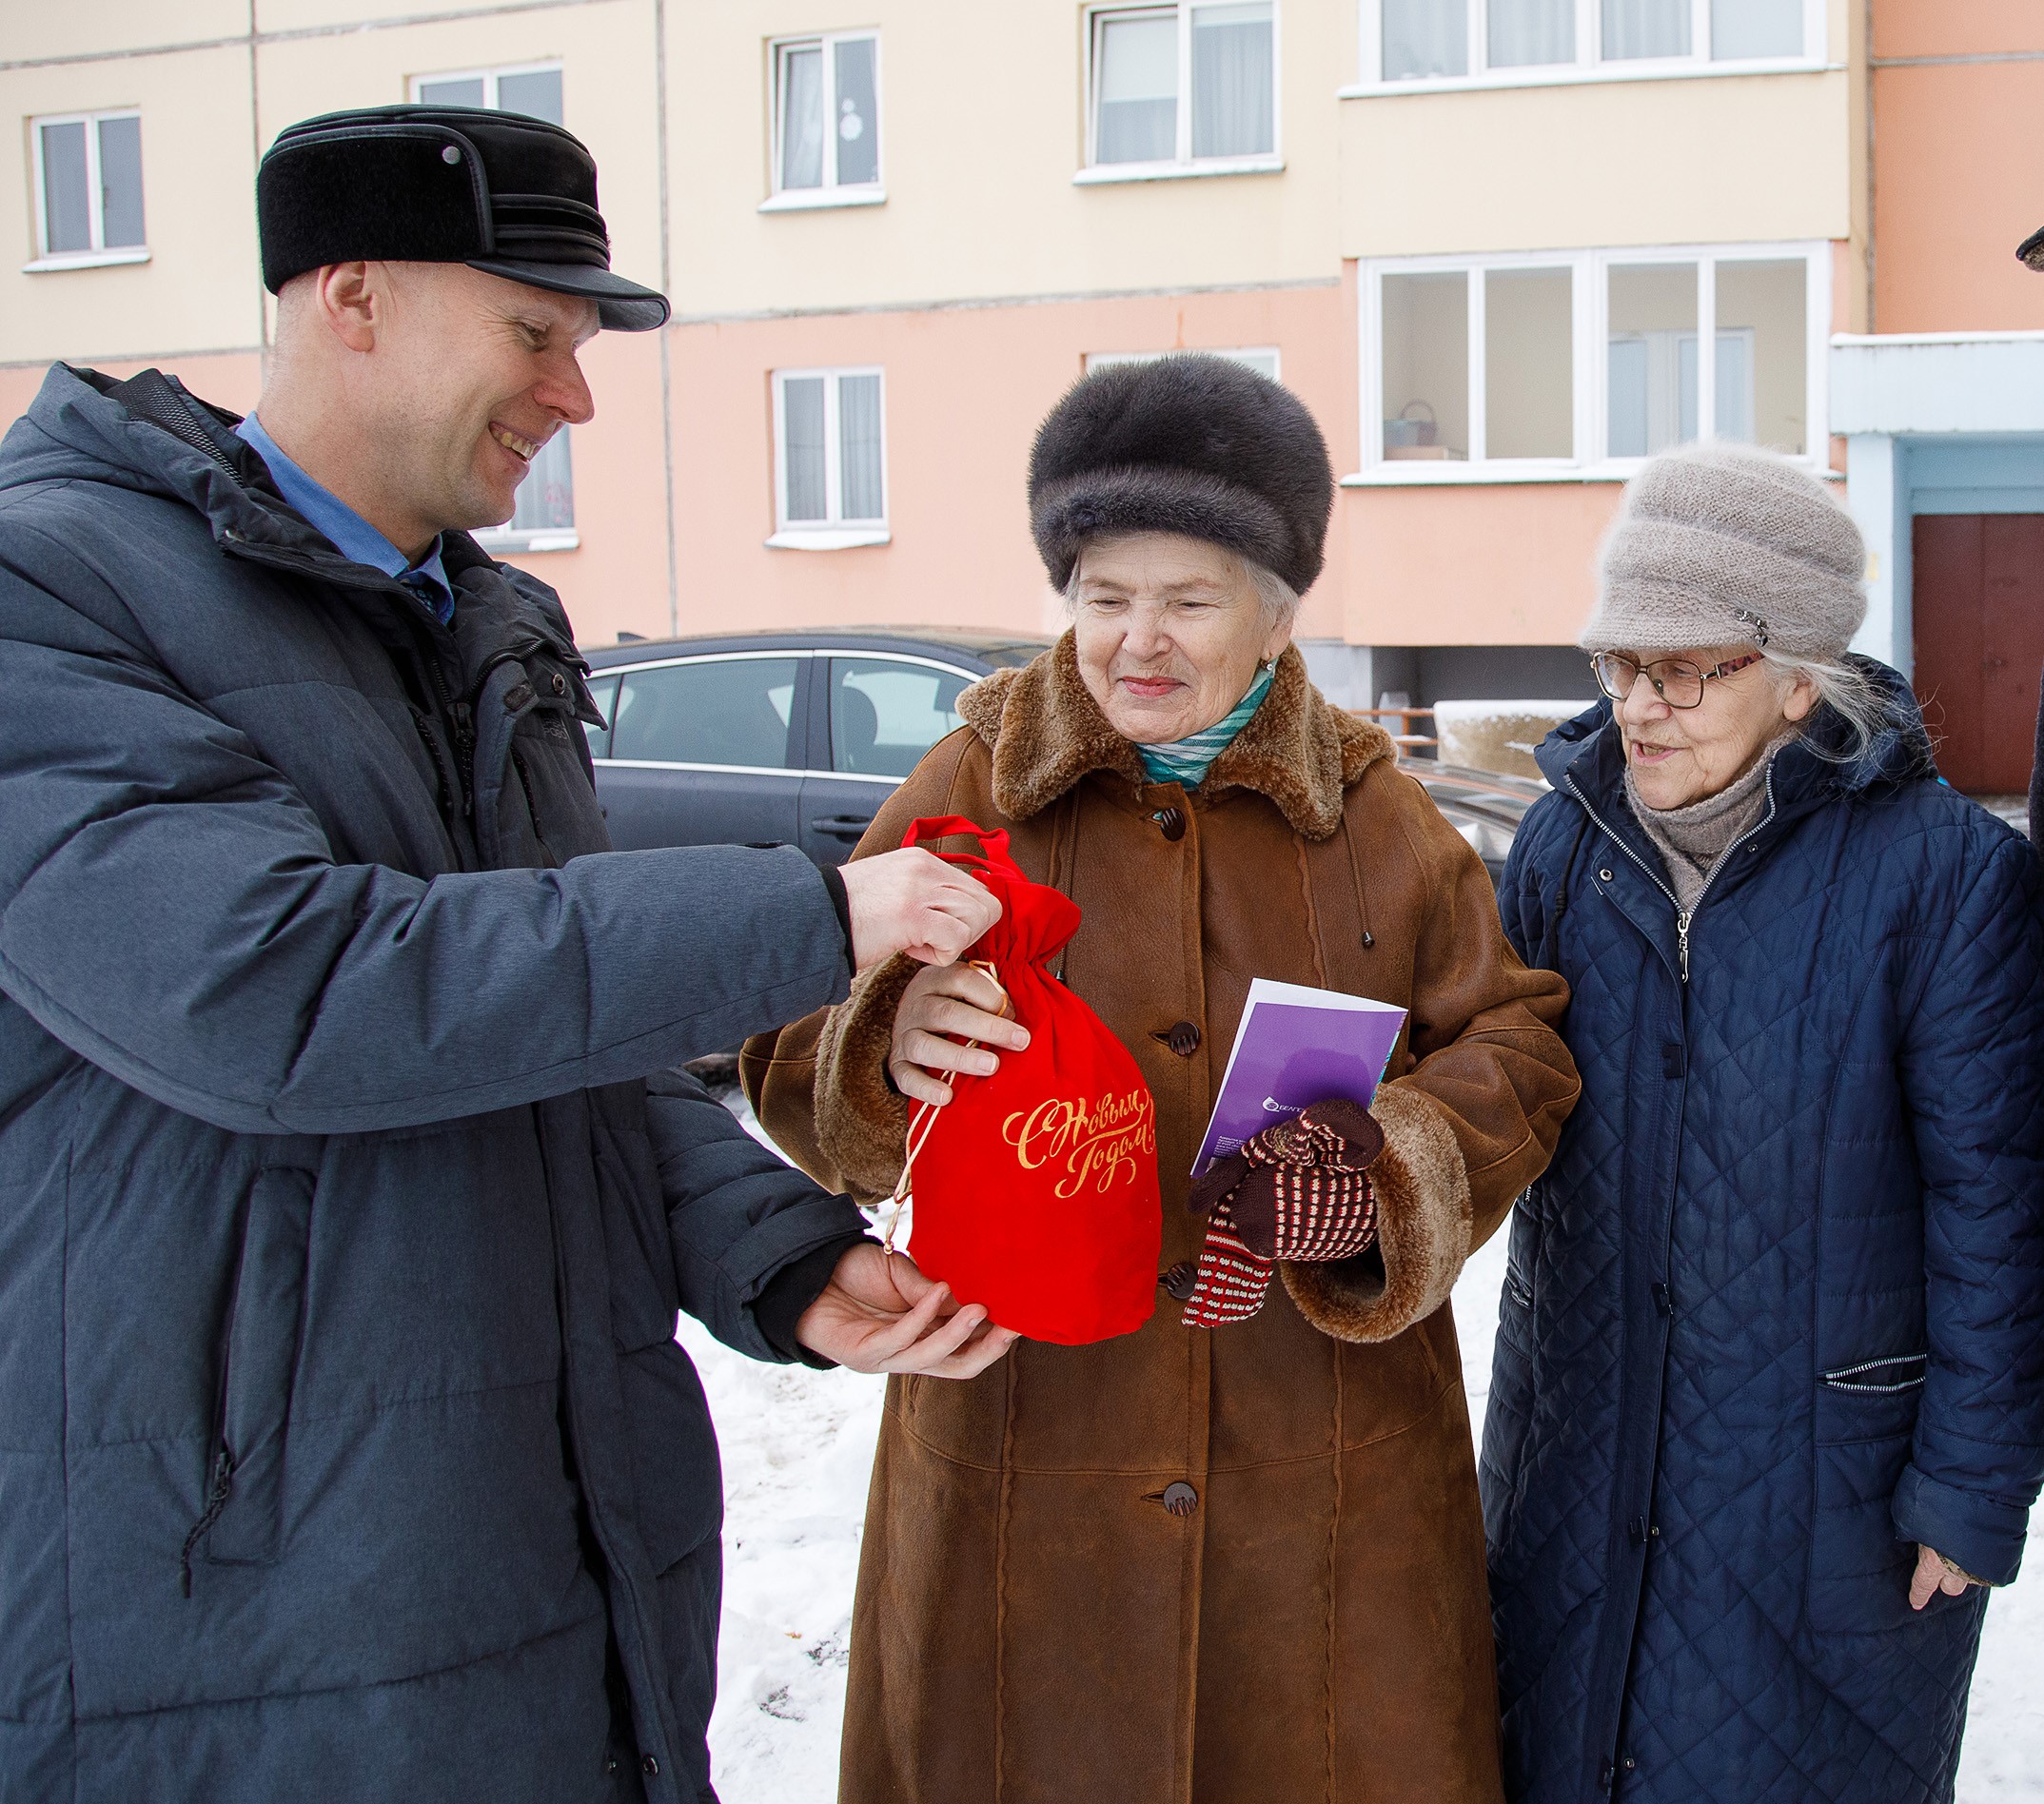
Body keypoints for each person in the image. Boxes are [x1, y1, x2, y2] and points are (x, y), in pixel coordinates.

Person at [0, 105, 1014, 1802]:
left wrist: (775, 1256)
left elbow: (552, 1036)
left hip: (551, 1553)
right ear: (353, 295)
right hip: (245, 1619)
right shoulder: (54, 591)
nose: (576, 391)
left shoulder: (489, 631)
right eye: (536, 330)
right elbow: (285, 995)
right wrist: (813, 914)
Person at [743, 354, 1582, 1803]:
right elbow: (783, 1046)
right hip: (1021, 1430)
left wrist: (1382, 1173)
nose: (1138, 640)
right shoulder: (968, 783)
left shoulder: (1375, 815)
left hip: (1315, 1456)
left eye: (1187, 600)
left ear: (1275, 608)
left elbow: (1516, 1044)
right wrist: (883, 1042)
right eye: (1104, 593)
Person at [1484, 441, 2044, 1802]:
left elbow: (2001, 1200)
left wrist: (1974, 1487)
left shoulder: (1946, 876)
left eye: (1688, 668)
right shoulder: (1566, 845)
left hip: (1827, 1493)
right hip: (1578, 1444)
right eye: (1622, 664)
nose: (1641, 706)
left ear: (1802, 679)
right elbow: (1484, 1082)